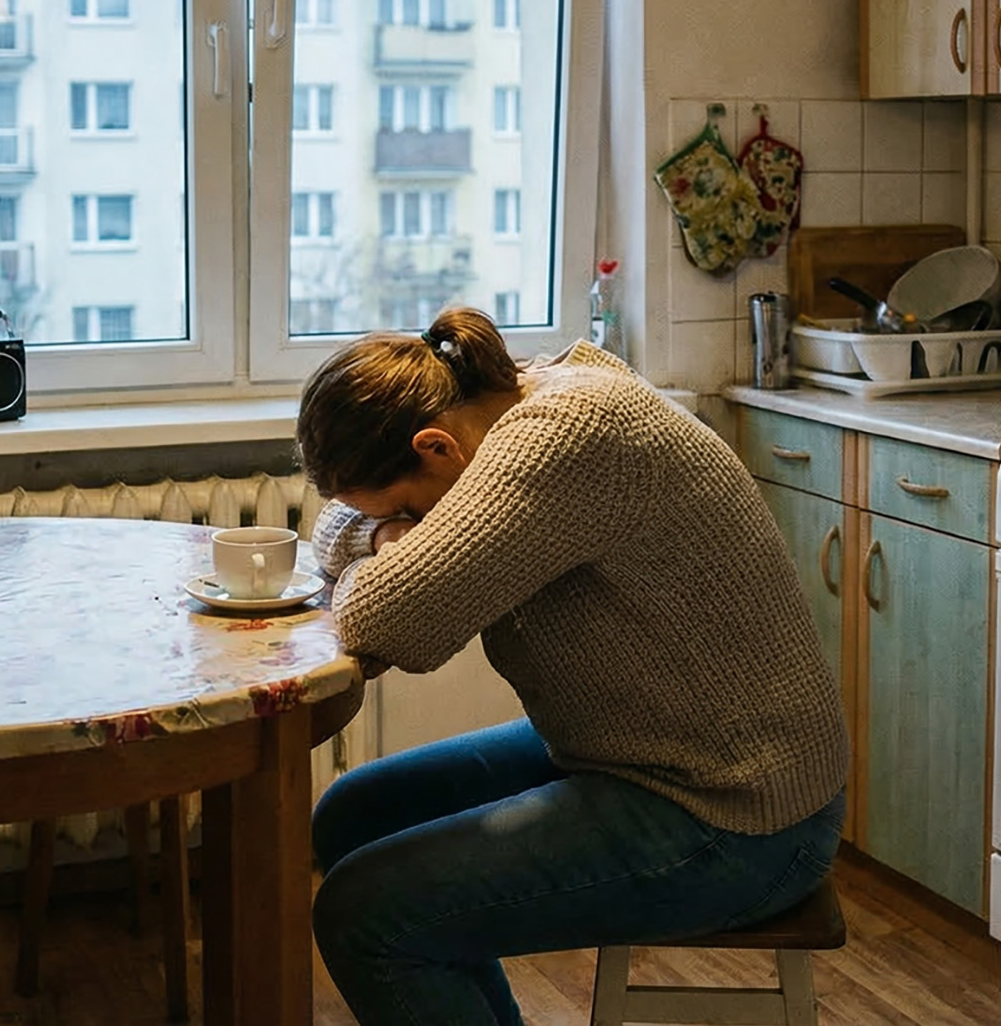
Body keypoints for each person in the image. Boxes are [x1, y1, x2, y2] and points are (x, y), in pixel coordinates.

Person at [298, 306, 848, 1026]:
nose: (408, 522)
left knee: (364, 915)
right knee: (351, 817)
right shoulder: (491, 410)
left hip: (740, 814)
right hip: (633, 751)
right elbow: (332, 532)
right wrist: (390, 531)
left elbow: (383, 620)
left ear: (434, 448)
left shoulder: (568, 436)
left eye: (405, 506)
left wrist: (385, 550)